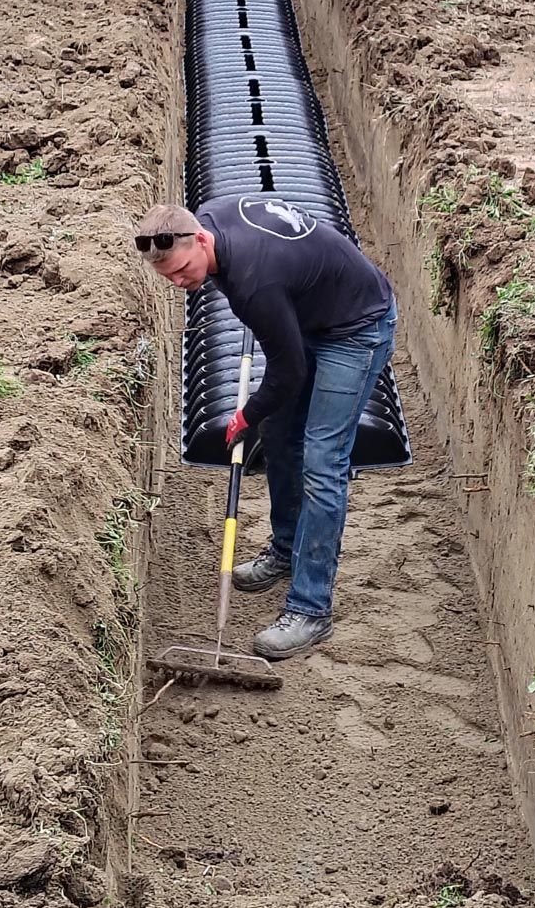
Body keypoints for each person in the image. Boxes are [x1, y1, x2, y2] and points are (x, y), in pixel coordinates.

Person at [136, 197, 397, 661]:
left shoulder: (254, 281)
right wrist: (263, 419)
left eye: (182, 271)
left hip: (357, 328)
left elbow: (288, 371)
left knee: (322, 461)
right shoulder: (209, 221)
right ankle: (285, 547)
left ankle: (311, 609)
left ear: (200, 239)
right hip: (313, 311)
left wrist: (246, 415)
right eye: (168, 278)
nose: (179, 283)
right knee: (279, 434)